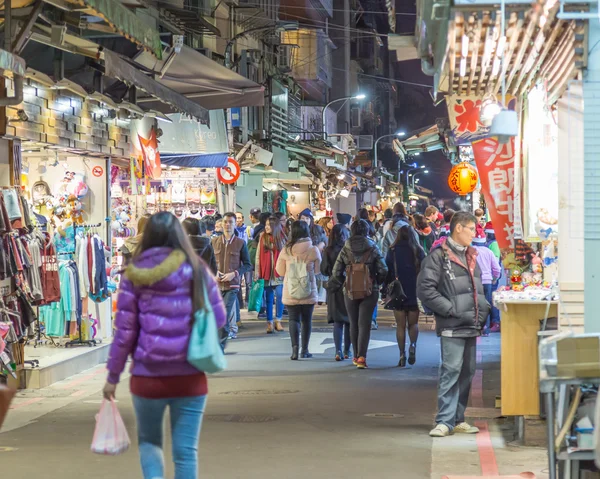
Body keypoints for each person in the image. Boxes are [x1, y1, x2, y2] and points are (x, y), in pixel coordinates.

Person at [103, 211, 227, 479]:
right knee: (185, 451)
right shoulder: (196, 269)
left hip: (147, 377)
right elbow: (218, 317)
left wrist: (112, 377)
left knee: (149, 443)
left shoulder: (133, 274)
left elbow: (124, 333)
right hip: (191, 375)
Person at [417, 211, 491, 438]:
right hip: (452, 324)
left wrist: (483, 309)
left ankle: (458, 418)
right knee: (451, 370)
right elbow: (425, 289)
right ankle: (444, 420)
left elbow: (477, 287)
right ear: (458, 228)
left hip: (471, 322)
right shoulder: (438, 257)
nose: (475, 233)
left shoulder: (472, 255)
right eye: (471, 228)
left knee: (467, 373)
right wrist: (450, 309)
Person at [332, 219, 388, 369]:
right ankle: (362, 357)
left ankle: (355, 355)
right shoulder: (373, 247)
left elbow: (336, 271)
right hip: (370, 290)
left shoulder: (346, 248)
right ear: (366, 231)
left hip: (349, 290)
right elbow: (384, 269)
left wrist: (345, 280)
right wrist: (376, 281)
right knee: (365, 323)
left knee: (353, 323)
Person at [276, 220, 321, 360]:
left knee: (293, 319)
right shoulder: (313, 249)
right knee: (307, 320)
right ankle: (305, 350)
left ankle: (294, 350)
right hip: (308, 289)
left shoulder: (286, 250)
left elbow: (280, 272)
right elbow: (319, 271)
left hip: (291, 290)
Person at [385, 225, 425, 367]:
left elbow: (387, 270)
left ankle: (402, 354)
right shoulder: (418, 250)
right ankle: (413, 345)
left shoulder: (392, 250)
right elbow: (425, 270)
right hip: (415, 290)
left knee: (400, 325)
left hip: (398, 291)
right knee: (413, 324)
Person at [212, 212, 252, 344]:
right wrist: (215, 273)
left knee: (224, 312)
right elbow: (208, 263)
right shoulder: (214, 242)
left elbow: (247, 265)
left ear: (235, 224)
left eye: (230, 222)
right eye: (225, 222)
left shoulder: (240, 243)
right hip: (216, 285)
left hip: (232, 285)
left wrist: (234, 274)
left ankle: (220, 344)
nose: (228, 224)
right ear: (221, 224)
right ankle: (220, 341)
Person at [321, 224, 351, 361]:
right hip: (348, 285)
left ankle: (338, 350)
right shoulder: (348, 250)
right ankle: (347, 350)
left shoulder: (328, 250)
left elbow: (323, 269)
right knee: (349, 320)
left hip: (334, 287)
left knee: (338, 322)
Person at [255, 216, 286, 334]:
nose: (266, 227)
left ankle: (278, 320)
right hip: (266, 272)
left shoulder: (282, 238)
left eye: (269, 225)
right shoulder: (262, 237)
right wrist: (257, 271)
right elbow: (258, 255)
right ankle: (269, 323)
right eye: (266, 224)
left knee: (280, 295)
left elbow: (285, 256)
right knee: (268, 299)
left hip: (279, 273)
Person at [472, 234, 501, 336]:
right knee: (487, 304)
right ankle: (486, 329)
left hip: (475, 281)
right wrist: (494, 278)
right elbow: (497, 269)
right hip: (487, 281)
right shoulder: (489, 252)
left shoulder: (470, 251)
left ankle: (476, 327)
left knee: (475, 305)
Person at [299, 208, 327, 304]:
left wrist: (321, 244)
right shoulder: (297, 230)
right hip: (302, 259)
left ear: (311, 219)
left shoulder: (318, 229)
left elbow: (325, 240)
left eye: (307, 218)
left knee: (317, 278)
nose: (305, 220)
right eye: (302, 218)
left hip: (316, 258)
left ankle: (317, 298)